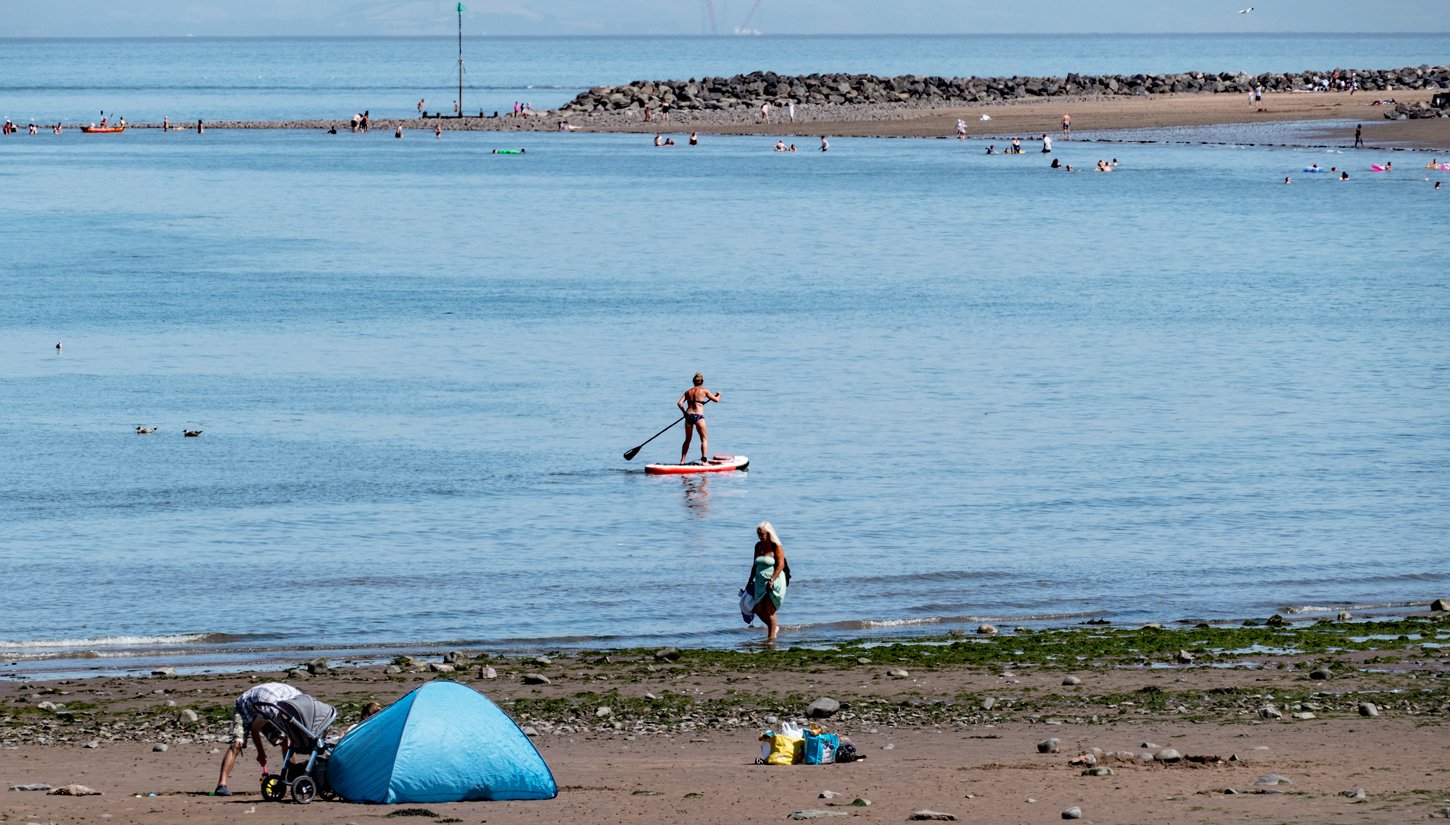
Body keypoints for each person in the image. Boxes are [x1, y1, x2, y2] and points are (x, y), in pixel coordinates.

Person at [214, 682, 302, 796]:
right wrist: (261, 753)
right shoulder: (270, 709)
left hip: (265, 707)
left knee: (286, 741)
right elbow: (254, 729)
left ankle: (295, 780)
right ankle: (221, 785)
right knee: (237, 744)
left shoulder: (297, 700)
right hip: (244, 708)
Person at [748, 521, 788, 643]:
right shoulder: (757, 546)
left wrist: (773, 579)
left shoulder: (776, 546)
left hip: (774, 580)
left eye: (762, 534)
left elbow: (781, 565)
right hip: (760, 582)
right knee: (757, 609)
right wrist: (749, 581)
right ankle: (774, 628)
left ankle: (771, 638)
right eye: (758, 534)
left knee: (769, 610)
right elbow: (754, 566)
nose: (760, 537)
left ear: (769, 533)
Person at [677, 372, 720, 465]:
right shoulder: (704, 391)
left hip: (688, 416)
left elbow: (679, 403)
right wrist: (719, 394)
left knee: (687, 439)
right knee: (704, 439)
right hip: (698, 416)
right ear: (702, 382)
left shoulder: (688, 392)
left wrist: (684, 413)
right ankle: (704, 462)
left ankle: (682, 460)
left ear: (693, 382)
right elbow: (716, 400)